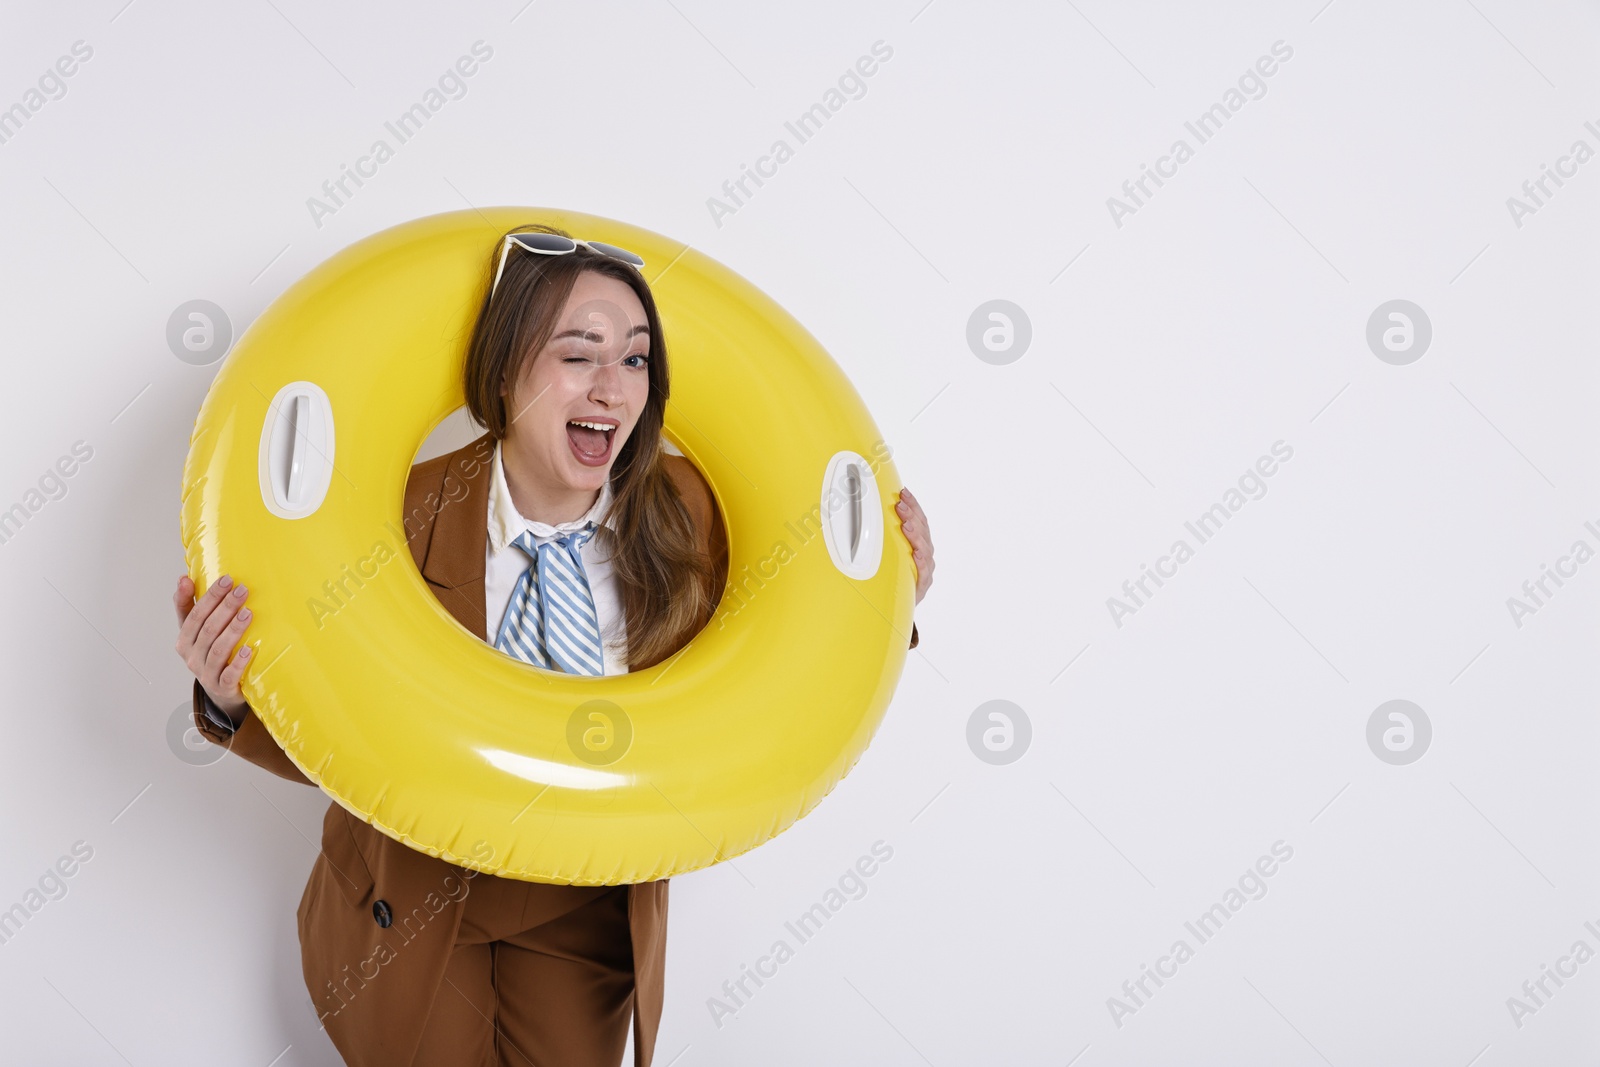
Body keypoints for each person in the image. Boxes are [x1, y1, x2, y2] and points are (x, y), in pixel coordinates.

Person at [171, 225, 936, 1066]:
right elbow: (350, 727)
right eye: (580, 355)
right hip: (421, 894)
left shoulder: (698, 516)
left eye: (637, 359)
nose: (612, 387)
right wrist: (230, 695)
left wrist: (886, 596)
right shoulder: (389, 518)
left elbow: (799, 651)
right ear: (507, 370)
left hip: (587, 906)